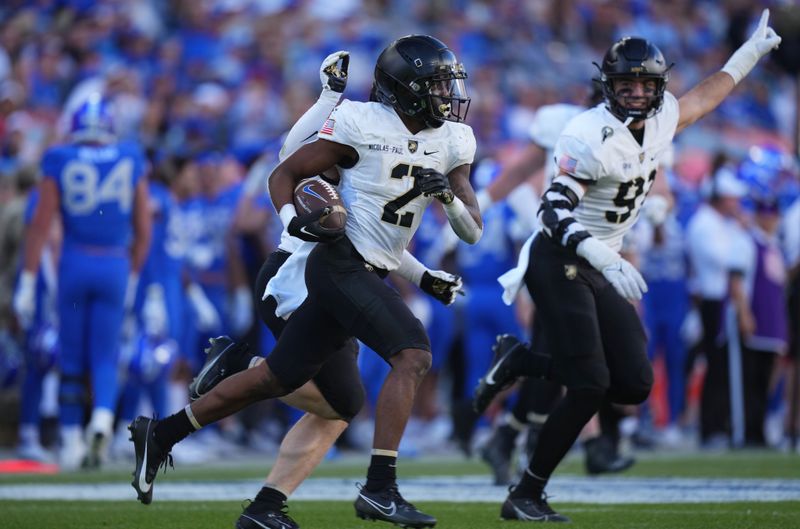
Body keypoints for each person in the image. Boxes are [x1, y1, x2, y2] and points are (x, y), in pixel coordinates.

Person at [129, 37, 476, 529]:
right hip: (302, 273)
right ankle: (379, 488)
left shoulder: (445, 142)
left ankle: (205, 458)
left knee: (328, 399)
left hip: (350, 269)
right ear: (406, 89)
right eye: (437, 84)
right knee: (410, 355)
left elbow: (380, 236)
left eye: (449, 84)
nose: (448, 94)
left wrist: (423, 273)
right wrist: (326, 100)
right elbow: (290, 163)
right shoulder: (357, 127)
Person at [472, 10, 780, 521]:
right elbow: (552, 212)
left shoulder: (661, 121)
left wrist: (747, 54)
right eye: (625, 83)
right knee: (590, 382)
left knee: (634, 384)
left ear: (658, 86)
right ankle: (526, 493)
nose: (636, 92)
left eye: (645, 83)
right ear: (607, 86)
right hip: (563, 256)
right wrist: (599, 254)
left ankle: (524, 363)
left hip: (603, 259)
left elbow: (706, 96)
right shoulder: (584, 133)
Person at [14, 93, 151, 469]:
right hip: (114, 265)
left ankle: (72, 439)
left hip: (74, 263)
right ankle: (104, 419)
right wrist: (135, 276)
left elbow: (40, 225)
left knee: (71, 356)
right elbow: (143, 227)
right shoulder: (129, 155)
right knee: (106, 356)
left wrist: (27, 281)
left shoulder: (59, 157)